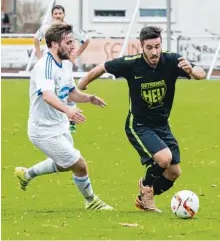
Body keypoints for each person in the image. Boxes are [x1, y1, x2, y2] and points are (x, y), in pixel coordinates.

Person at [78, 26, 206, 212]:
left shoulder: (171, 60)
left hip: (162, 124)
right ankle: (146, 190)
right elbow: (102, 67)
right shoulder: (132, 64)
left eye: (157, 46)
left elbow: (201, 72)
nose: (154, 52)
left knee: (173, 172)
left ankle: (143, 198)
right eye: (149, 47)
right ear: (141, 47)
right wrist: (81, 85)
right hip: (139, 125)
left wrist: (193, 72)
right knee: (164, 159)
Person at [15, 24, 113, 211]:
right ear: (53, 44)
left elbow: (69, 92)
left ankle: (26, 174)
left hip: (60, 126)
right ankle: (91, 201)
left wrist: (88, 98)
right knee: (80, 165)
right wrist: (68, 111)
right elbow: (47, 95)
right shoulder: (45, 65)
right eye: (68, 42)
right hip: (42, 131)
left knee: (63, 165)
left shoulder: (66, 63)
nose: (73, 46)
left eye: (73, 41)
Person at [34, 4, 90, 133]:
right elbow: (35, 39)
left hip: (64, 61)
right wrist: (38, 55)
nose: (58, 15)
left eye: (60, 13)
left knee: (68, 88)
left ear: (64, 15)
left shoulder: (70, 29)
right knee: (49, 90)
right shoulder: (46, 28)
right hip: (50, 62)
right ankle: (55, 115)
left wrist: (75, 55)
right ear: (52, 15)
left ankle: (71, 120)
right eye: (55, 13)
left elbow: (86, 40)